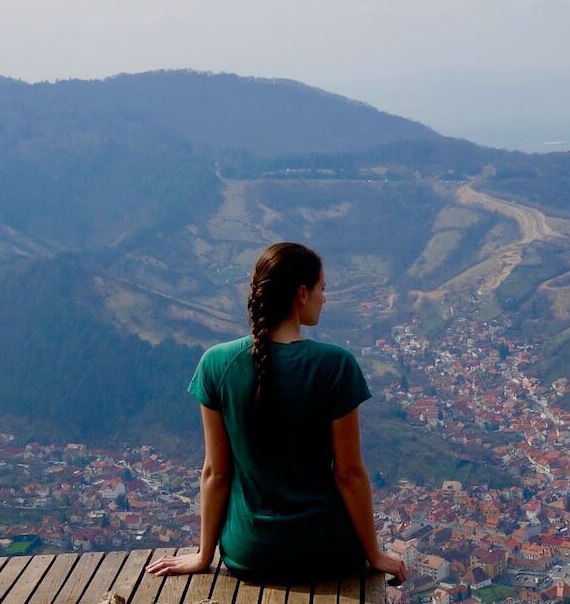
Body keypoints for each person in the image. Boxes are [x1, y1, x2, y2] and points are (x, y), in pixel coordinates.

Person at [147, 242, 406, 586]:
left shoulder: (216, 364)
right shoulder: (335, 365)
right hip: (325, 552)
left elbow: (215, 472)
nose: (324, 298)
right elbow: (349, 474)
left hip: (248, 554)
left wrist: (203, 555)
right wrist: (374, 553)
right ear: (302, 293)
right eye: (322, 289)